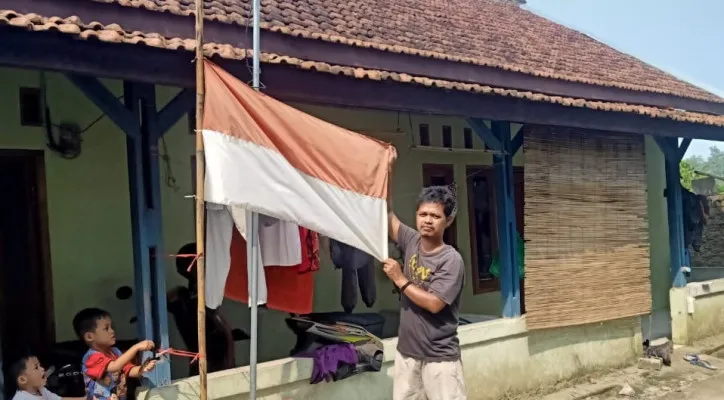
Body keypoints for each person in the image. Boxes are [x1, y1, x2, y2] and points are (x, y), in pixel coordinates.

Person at [383, 185, 467, 400]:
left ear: (448, 221)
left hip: (439, 359)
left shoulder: (451, 260)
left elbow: (435, 303)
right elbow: (387, 213)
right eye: (423, 214)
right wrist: (388, 169)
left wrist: (400, 279)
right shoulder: (411, 240)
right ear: (416, 215)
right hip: (407, 353)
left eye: (435, 216)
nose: (427, 220)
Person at [72, 308, 156, 400]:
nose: (112, 331)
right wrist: (136, 347)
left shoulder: (115, 352)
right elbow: (114, 367)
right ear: (89, 336)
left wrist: (143, 368)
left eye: (112, 327)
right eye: (106, 328)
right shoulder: (91, 357)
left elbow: (129, 370)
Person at [8, 354, 85, 400]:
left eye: (40, 365)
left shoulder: (40, 390)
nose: (42, 369)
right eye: (36, 367)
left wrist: (85, 399)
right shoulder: (22, 398)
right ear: (22, 379)